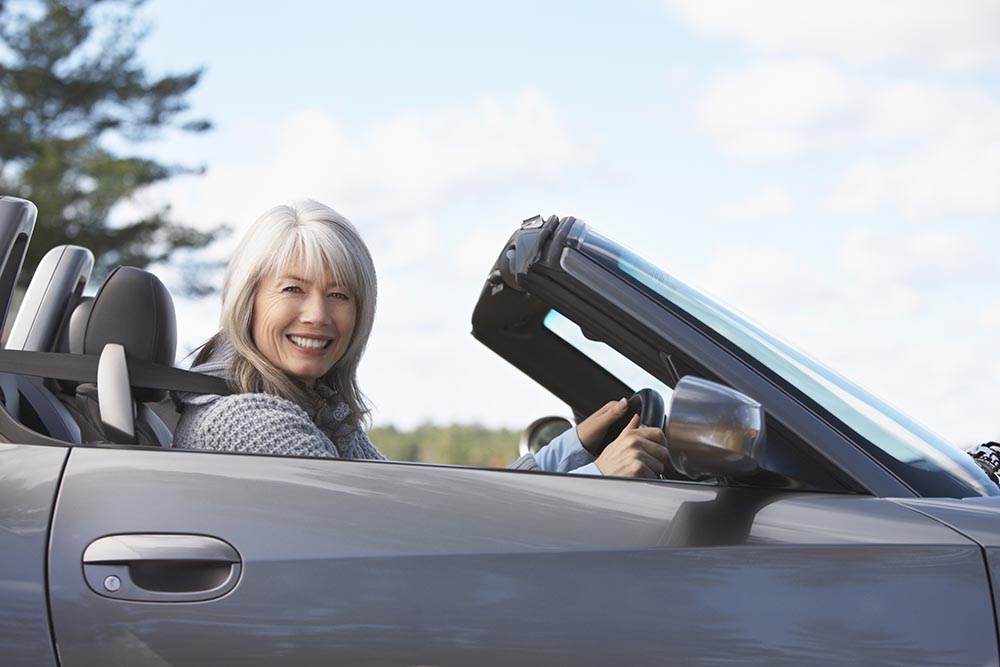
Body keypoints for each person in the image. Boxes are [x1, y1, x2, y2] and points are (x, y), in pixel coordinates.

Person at [173, 199, 670, 478]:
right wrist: (599, 480)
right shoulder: (250, 422)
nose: (318, 315)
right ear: (249, 300)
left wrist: (569, 452)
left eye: (340, 295)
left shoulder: (316, 412)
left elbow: (429, 509)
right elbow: (408, 539)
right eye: (292, 290)